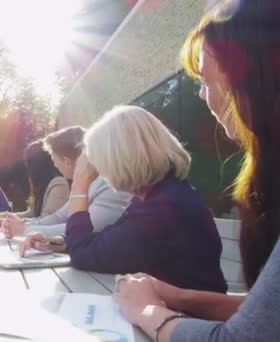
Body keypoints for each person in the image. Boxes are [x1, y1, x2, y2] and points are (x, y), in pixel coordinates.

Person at [114, 1, 280, 341]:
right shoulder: (152, 197)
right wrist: (179, 297)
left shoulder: (167, 201)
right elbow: (268, 314)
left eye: (204, 80)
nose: (204, 96)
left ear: (250, 74)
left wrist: (148, 311)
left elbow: (93, 250)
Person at [22, 106, 227, 294]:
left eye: (99, 158)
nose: (98, 168)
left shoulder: (161, 210)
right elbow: (102, 240)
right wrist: (54, 242)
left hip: (191, 324)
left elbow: (82, 254)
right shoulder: (160, 196)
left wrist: (80, 183)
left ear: (119, 158)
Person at [1, 126, 132, 237]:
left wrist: (25, 230)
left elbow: (86, 228)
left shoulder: (111, 184)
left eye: (54, 157)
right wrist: (23, 225)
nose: (55, 165)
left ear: (67, 162)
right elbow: (59, 217)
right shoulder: (89, 182)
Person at [0, 140, 69, 228]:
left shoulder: (59, 184)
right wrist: (1, 216)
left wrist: (4, 222)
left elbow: (47, 221)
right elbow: (32, 213)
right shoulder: (43, 185)